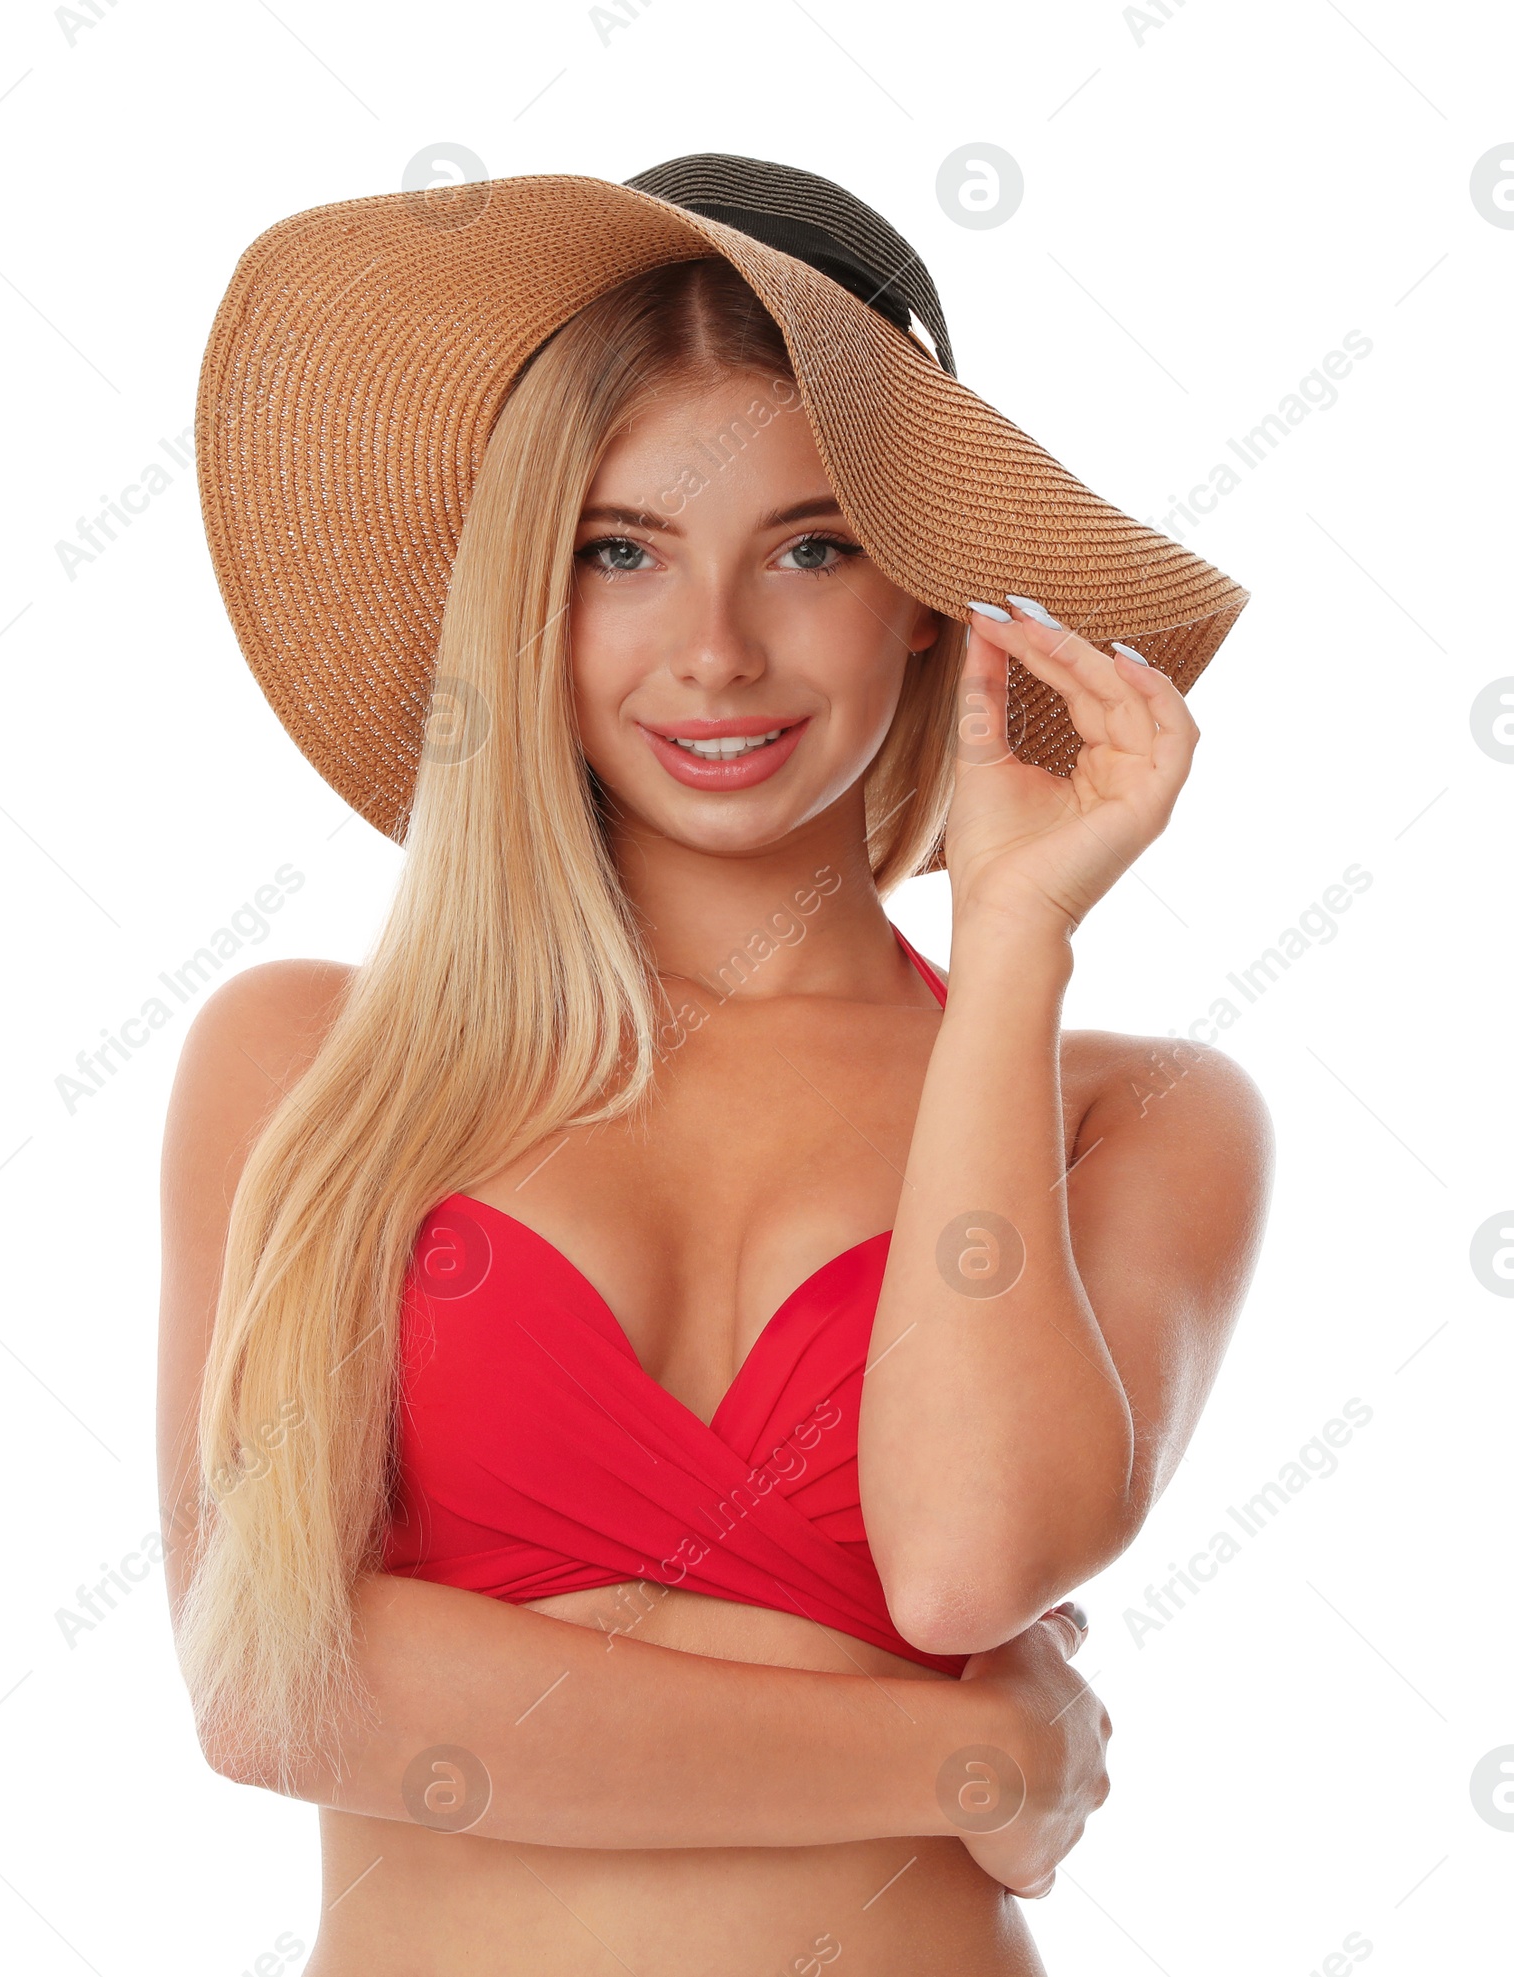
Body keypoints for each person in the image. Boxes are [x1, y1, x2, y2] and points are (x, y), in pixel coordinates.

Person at [157, 158, 1272, 1975]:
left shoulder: (1128, 1118)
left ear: (926, 596)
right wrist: (967, 1749)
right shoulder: (305, 1067)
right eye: (622, 550)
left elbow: (966, 1563)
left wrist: (1010, 942)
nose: (717, 653)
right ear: (531, 590)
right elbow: (281, 1687)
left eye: (813, 546)